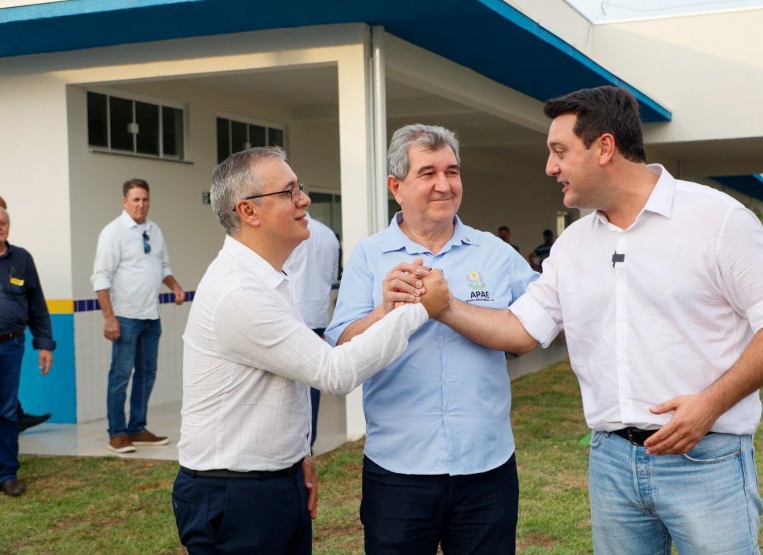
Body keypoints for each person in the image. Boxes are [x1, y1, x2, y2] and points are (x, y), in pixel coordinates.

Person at [433, 86, 763, 554]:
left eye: (559, 152)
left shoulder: (718, 220)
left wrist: (710, 405)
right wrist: (445, 307)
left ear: (605, 148)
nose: (550, 167)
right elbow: (521, 331)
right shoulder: (572, 246)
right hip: (611, 464)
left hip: (707, 459)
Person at [173, 146, 450, 554]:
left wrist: (296, 457)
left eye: (298, 187)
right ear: (248, 211)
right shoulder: (239, 291)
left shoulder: (268, 279)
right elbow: (333, 372)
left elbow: (294, 369)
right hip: (236, 496)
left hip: (272, 483)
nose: (304, 199)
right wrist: (421, 310)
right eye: (288, 192)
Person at [326, 124, 538, 555]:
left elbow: (531, 331)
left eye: (452, 172)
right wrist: (384, 311)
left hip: (486, 466)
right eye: (428, 173)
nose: (444, 185)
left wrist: (445, 306)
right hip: (398, 469)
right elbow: (342, 348)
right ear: (396, 187)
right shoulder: (369, 256)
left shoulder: (494, 253)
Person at [92, 179, 186, 454]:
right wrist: (109, 318)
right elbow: (101, 277)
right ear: (125, 202)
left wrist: (175, 287)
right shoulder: (114, 232)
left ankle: (137, 427)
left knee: (146, 374)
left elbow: (163, 266)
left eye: (145, 199)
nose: (141, 204)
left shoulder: (154, 230)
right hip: (125, 317)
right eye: (135, 199)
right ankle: (117, 433)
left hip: (151, 316)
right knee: (120, 376)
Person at [0, 206, 55, 497]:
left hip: (11, 345)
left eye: (3, 222)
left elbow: (37, 305)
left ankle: (8, 475)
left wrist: (44, 344)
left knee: (6, 411)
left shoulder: (22, 259)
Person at [285, 215, 341, 449]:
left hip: (292, 314)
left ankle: (296, 445)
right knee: (312, 380)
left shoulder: (288, 231)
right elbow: (332, 276)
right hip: (317, 315)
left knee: (290, 383)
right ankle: (309, 443)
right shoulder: (328, 235)